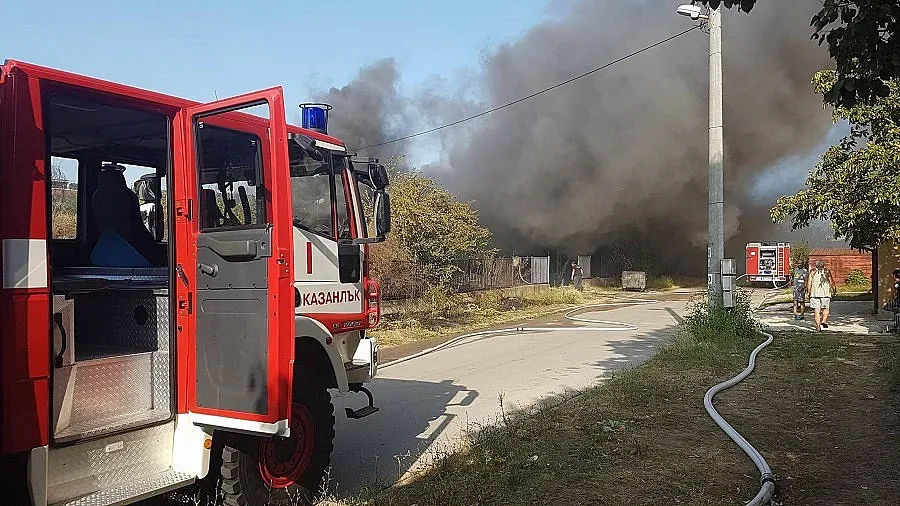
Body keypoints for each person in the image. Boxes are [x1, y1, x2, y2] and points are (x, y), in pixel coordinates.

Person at [806, 259, 836, 331]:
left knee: (817, 310)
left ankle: (818, 326)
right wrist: (834, 289)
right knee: (826, 308)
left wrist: (808, 292)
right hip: (825, 294)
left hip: (815, 293)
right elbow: (831, 281)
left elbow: (809, 283)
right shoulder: (827, 271)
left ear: (816, 265)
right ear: (823, 265)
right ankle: (824, 321)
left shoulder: (812, 272)